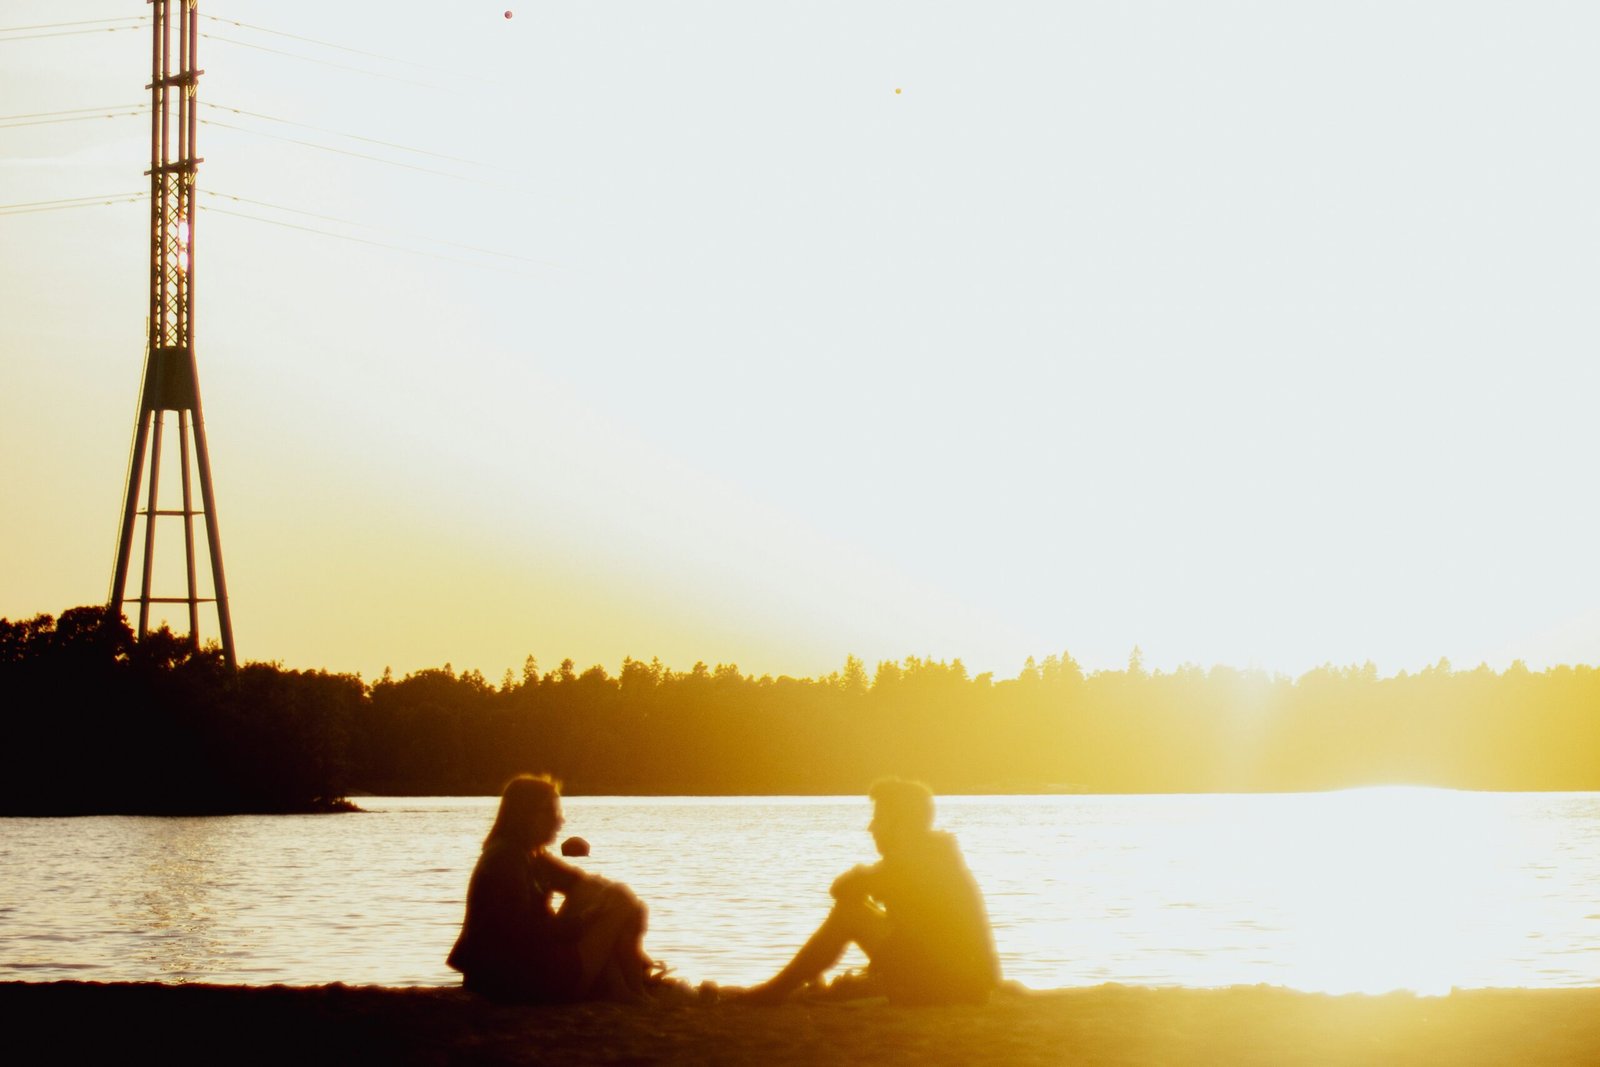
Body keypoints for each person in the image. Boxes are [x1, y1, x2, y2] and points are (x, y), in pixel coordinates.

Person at [743, 778, 1000, 1005]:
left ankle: (774, 992)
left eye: (879, 818)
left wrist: (862, 877)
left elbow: (843, 889)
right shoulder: (931, 854)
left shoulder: (916, 861)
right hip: (961, 983)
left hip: (951, 986)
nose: (871, 828)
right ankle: (788, 986)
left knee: (850, 914)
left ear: (901, 823)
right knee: (860, 912)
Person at [447, 773, 653, 1003]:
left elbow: (584, 884)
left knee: (610, 895)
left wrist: (628, 910)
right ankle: (634, 991)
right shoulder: (505, 861)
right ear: (527, 816)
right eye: (552, 812)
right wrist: (585, 921)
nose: (560, 820)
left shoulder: (531, 854)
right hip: (514, 980)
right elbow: (523, 932)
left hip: (522, 969)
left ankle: (627, 985)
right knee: (617, 902)